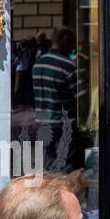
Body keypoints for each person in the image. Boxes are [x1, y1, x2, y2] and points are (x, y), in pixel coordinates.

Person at [31, 27, 86, 180]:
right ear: (65, 39)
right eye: (72, 41)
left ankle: (50, 191)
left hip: (43, 122)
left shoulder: (38, 64)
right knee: (66, 168)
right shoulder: (67, 66)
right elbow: (81, 98)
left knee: (48, 165)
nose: (74, 46)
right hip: (63, 124)